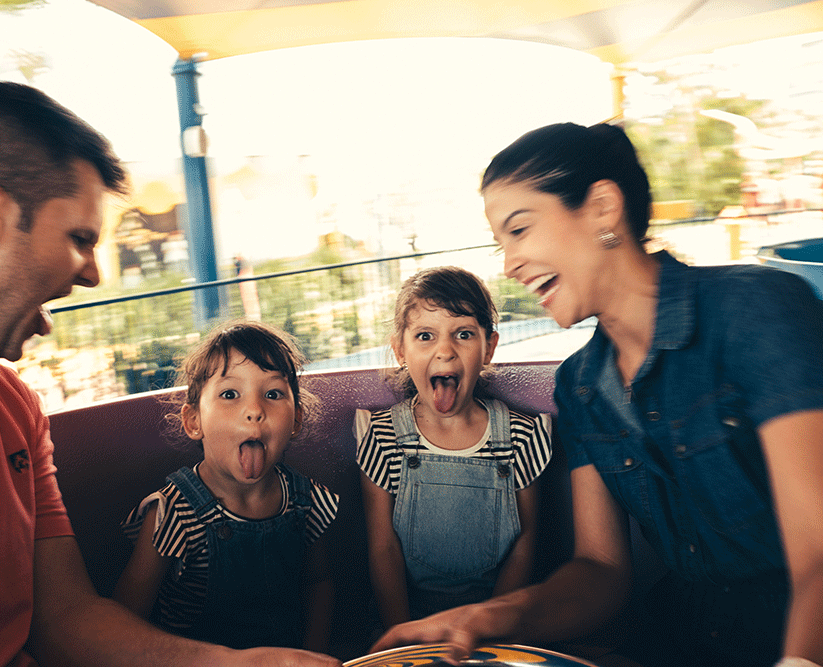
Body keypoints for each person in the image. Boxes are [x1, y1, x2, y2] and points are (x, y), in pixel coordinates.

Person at [0, 79, 341, 667]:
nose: (94, 274)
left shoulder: (11, 406)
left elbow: (65, 616)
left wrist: (235, 663)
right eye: (79, 239)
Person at [368, 122, 823, 667]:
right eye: (501, 243)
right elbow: (601, 571)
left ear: (603, 208)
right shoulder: (580, 386)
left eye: (520, 230)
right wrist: (494, 616)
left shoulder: (757, 310)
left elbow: (818, 554)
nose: (509, 264)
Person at [114, 320, 340, 652]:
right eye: (230, 394)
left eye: (273, 394)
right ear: (194, 421)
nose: (254, 410)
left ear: (296, 420)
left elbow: (319, 584)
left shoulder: (307, 502)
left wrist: (314, 653)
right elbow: (127, 619)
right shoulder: (172, 515)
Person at [355, 266, 552, 631]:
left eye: (463, 334)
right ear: (400, 350)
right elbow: (383, 550)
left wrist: (488, 626)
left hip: (495, 625)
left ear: (488, 347)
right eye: (425, 336)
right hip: (409, 624)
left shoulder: (523, 437)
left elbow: (526, 543)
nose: (445, 351)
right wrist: (403, 634)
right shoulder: (382, 437)